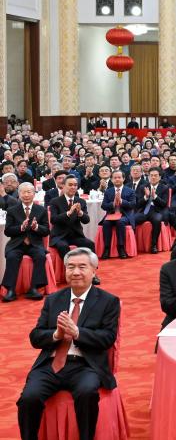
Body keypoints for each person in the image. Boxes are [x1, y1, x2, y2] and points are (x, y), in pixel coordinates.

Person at [17, 248, 120, 440]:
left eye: (82, 267)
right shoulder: (54, 299)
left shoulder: (108, 301)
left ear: (94, 270)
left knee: (87, 393)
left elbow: (107, 338)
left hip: (85, 365)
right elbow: (36, 336)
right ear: (64, 271)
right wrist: (56, 334)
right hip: (51, 364)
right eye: (70, 267)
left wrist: (78, 333)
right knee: (28, 399)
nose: (76, 272)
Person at [3, 182, 51, 301]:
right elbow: (7, 231)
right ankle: (10, 290)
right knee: (12, 257)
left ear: (34, 194)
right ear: (18, 194)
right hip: (17, 244)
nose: (26, 195)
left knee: (40, 256)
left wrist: (36, 227)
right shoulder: (12, 210)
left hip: (34, 243)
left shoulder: (41, 210)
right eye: (23, 192)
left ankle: (34, 288)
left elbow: (46, 231)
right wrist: (21, 228)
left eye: (29, 192)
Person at [47, 175, 96, 266]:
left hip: (76, 235)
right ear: (63, 186)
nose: (73, 187)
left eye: (75, 185)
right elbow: (53, 220)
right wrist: (68, 213)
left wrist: (80, 213)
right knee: (63, 246)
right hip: (60, 235)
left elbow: (86, 220)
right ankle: (70, 270)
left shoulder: (81, 201)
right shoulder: (55, 201)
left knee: (90, 244)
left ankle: (92, 272)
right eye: (70, 185)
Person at [99, 170, 135, 259]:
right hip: (112, 215)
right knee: (106, 223)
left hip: (125, 215)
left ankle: (121, 247)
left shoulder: (130, 191)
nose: (117, 179)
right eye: (115, 178)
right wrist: (113, 204)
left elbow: (133, 205)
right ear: (111, 179)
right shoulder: (108, 191)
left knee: (120, 222)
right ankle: (106, 248)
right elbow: (103, 206)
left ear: (124, 179)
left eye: (119, 177)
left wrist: (122, 201)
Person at [135, 168, 169, 253]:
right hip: (144, 210)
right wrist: (146, 197)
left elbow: (164, 204)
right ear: (148, 176)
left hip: (156, 210)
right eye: (151, 175)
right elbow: (138, 203)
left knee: (157, 220)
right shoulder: (143, 187)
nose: (153, 177)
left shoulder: (164, 188)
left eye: (155, 175)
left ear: (160, 177)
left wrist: (155, 197)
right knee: (133, 219)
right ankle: (134, 244)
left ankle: (154, 245)